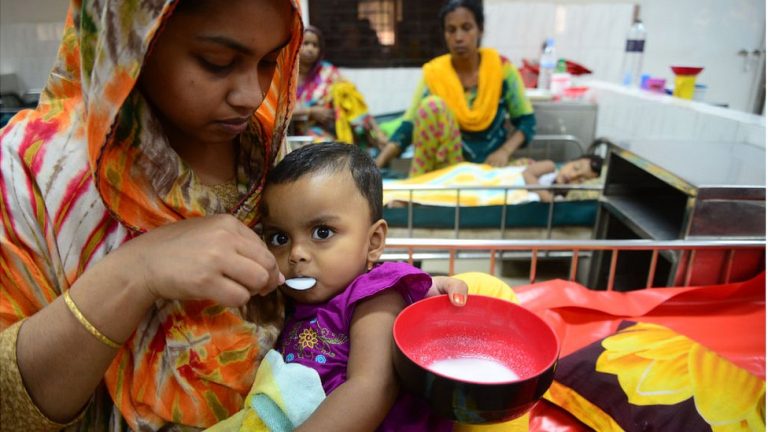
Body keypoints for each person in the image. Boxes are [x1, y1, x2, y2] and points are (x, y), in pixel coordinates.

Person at [0, 1, 466, 430]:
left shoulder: (263, 148)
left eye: (270, 61)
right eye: (217, 62)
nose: (250, 95)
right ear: (134, 38)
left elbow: (337, 277)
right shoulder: (37, 170)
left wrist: (407, 292)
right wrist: (135, 273)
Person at [259, 142, 454, 431]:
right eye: (279, 238)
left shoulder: (375, 295)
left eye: (322, 232)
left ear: (373, 242)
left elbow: (372, 386)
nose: (296, 253)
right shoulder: (285, 299)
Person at [375, 0, 537, 177]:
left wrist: (505, 152)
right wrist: (376, 165)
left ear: (480, 30)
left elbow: (526, 121)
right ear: (445, 35)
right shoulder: (436, 73)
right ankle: (418, 189)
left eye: (466, 28)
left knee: (539, 172)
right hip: (449, 167)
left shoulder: (501, 69)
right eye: (451, 30)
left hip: (491, 165)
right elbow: (409, 126)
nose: (459, 37)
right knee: (431, 106)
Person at [291, 26, 387, 152]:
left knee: (345, 91)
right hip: (296, 133)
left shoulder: (328, 72)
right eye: (306, 43)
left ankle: (375, 134)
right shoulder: (288, 77)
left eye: (315, 45)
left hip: (328, 129)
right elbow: (279, 112)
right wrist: (311, 111)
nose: (311, 49)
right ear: (296, 45)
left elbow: (354, 100)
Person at [522, 155, 604, 202]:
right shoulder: (550, 168)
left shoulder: (564, 199)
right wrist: (547, 198)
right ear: (568, 162)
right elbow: (527, 173)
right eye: (576, 168)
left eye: (580, 180)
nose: (572, 175)